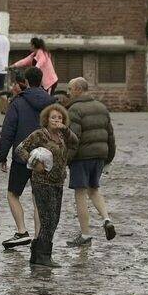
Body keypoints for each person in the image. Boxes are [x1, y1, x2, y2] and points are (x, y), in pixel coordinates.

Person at [0, 68, 53, 249]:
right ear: (41, 80)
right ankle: (37, 238)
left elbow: (8, 131)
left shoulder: (17, 102)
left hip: (22, 156)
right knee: (38, 198)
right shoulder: (51, 102)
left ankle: (21, 231)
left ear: (26, 81)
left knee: (13, 194)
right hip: (44, 159)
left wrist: (2, 156)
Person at [14, 103, 72, 268]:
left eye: (60, 117)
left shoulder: (62, 135)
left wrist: (65, 129)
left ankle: (36, 253)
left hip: (58, 182)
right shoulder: (39, 134)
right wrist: (34, 163)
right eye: (53, 117)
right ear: (46, 119)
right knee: (47, 219)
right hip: (42, 182)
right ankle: (44, 255)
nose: (56, 120)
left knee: (55, 219)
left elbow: (75, 141)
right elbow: (20, 149)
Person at [62, 77, 118, 244]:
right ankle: (107, 219)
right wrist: (109, 157)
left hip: (81, 158)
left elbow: (74, 139)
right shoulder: (102, 107)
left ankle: (85, 234)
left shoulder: (74, 109)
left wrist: (65, 161)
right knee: (94, 190)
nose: (69, 93)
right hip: (100, 155)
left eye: (70, 89)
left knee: (80, 194)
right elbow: (110, 135)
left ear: (78, 89)